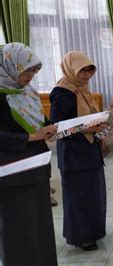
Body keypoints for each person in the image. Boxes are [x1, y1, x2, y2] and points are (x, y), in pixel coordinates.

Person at [0, 42, 58, 265]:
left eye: (34, 70)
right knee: (19, 230)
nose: (30, 75)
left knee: (40, 226)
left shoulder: (27, 93)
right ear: (10, 65)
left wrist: (51, 129)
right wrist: (32, 137)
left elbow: (42, 123)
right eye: (26, 69)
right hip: (12, 176)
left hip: (38, 170)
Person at [49, 51, 107, 251]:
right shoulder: (62, 92)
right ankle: (81, 236)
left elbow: (87, 118)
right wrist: (87, 128)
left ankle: (94, 230)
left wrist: (101, 124)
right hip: (74, 154)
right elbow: (56, 128)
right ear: (71, 68)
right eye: (82, 70)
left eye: (90, 70)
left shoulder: (83, 89)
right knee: (78, 197)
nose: (87, 75)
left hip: (89, 150)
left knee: (93, 193)